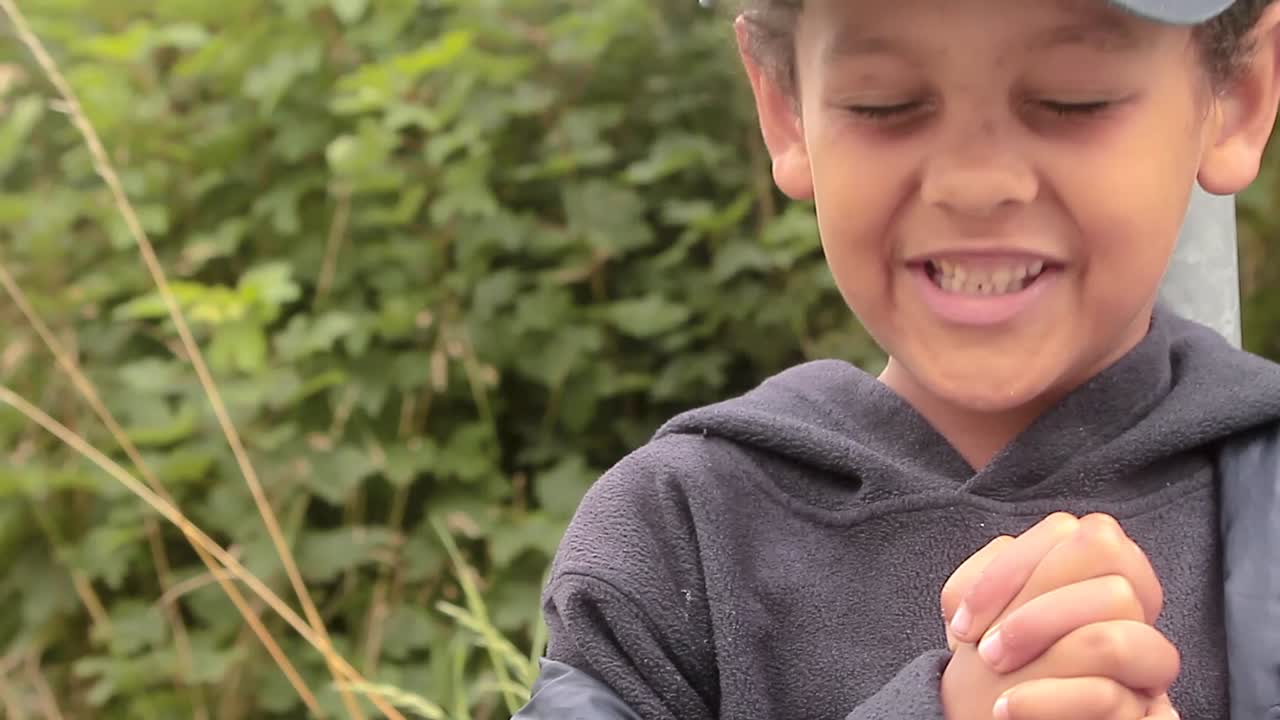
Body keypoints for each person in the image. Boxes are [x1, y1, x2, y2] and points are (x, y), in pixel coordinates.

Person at [514, 1, 1280, 718]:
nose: (974, 183)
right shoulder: (678, 535)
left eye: (1072, 98)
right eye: (882, 103)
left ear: (1238, 93)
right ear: (785, 109)